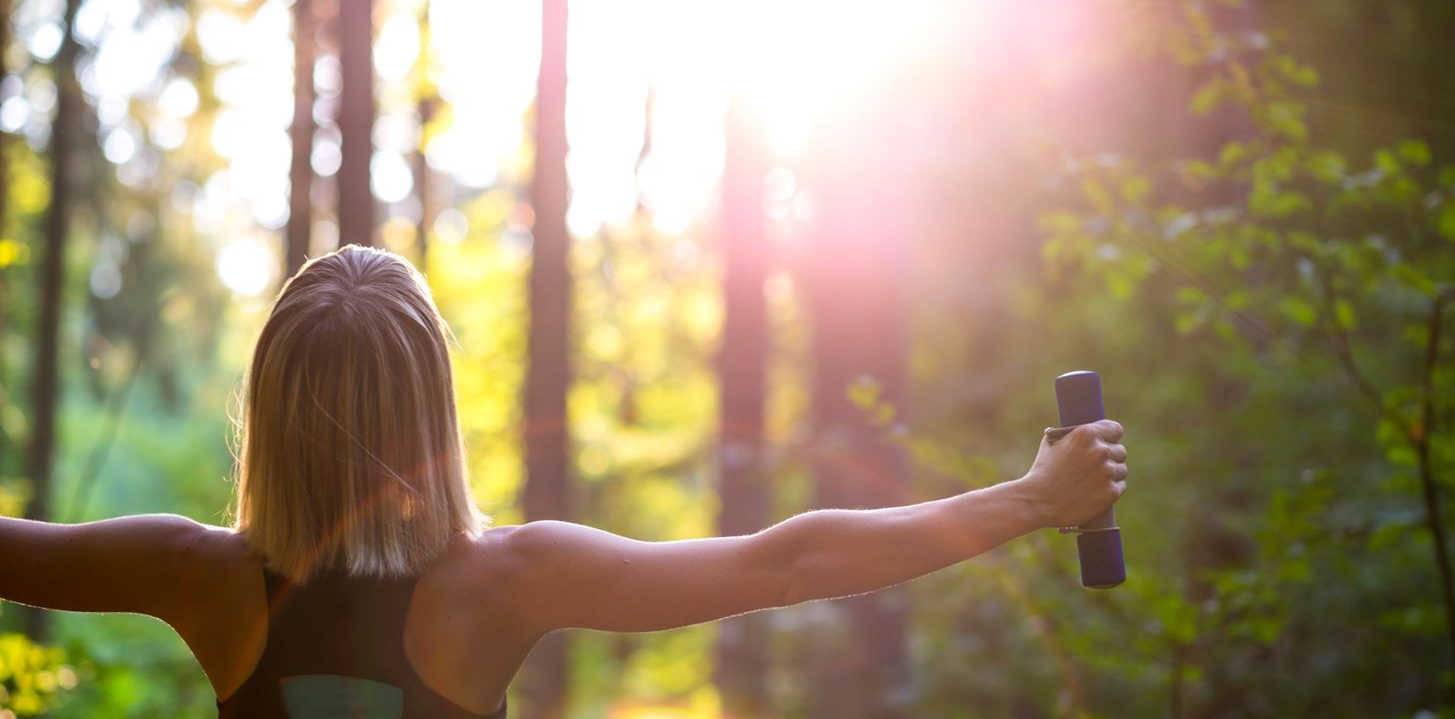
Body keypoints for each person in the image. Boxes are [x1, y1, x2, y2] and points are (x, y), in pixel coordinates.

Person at [0, 244, 1128, 718]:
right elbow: (793, 562)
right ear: (430, 411)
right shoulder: (507, 583)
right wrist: (1033, 500)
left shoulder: (193, 573)